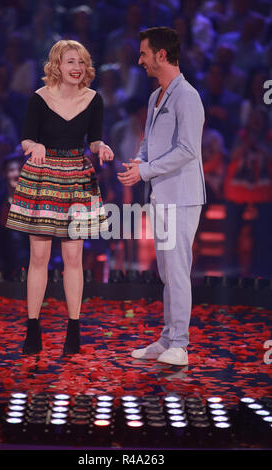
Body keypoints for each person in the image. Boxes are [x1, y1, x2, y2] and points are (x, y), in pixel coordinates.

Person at [5, 39, 114, 356]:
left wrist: (101, 148)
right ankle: (33, 328)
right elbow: (26, 137)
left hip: (75, 180)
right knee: (38, 258)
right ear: (57, 65)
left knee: (73, 260)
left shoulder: (94, 100)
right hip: (43, 178)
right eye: (70, 62)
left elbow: (93, 140)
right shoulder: (39, 99)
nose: (76, 68)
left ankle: (74, 330)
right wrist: (34, 146)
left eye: (80, 62)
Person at [118, 27, 206, 366]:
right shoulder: (157, 96)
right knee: (167, 271)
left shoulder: (188, 96)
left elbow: (187, 149)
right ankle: (168, 337)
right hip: (161, 195)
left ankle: (180, 344)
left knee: (178, 269)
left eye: (144, 54)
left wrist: (146, 170)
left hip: (182, 196)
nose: (140, 61)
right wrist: (139, 162)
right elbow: (149, 141)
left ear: (162, 55)